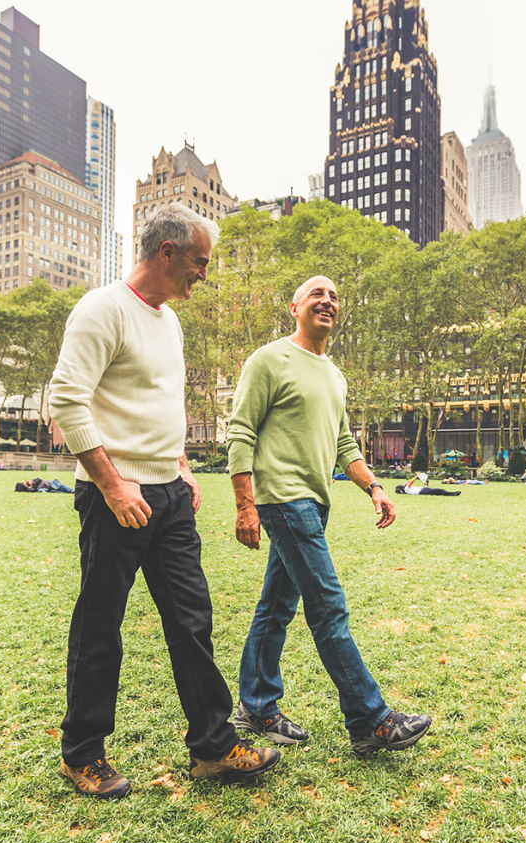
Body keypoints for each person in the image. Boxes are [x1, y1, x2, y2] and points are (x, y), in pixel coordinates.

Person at [48, 203, 279, 798]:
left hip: (170, 497)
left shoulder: (170, 322)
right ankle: (83, 754)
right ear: (168, 251)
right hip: (115, 497)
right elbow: (68, 402)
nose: (204, 275)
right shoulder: (102, 310)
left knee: (191, 620)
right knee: (101, 625)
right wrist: (112, 483)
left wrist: (178, 465)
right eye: (200, 262)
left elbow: (161, 403)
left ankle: (213, 746)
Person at [227, 275, 432, 756]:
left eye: (335, 296)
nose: (327, 301)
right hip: (284, 499)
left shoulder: (335, 374)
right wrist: (244, 504)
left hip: (317, 504)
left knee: (276, 606)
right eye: (317, 294)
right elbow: (240, 431)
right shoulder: (269, 359)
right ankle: (370, 720)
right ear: (294, 307)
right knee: (328, 607)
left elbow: (344, 444)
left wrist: (375, 488)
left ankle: (256, 705)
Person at [395, 472, 460, 496]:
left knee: (438, 492)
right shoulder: (406, 489)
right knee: (439, 491)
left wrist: (426, 484)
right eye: (407, 483)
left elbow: (426, 487)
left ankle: (452, 493)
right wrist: (417, 475)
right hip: (422, 491)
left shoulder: (410, 489)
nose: (408, 483)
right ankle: (453, 494)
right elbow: (412, 481)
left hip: (424, 490)